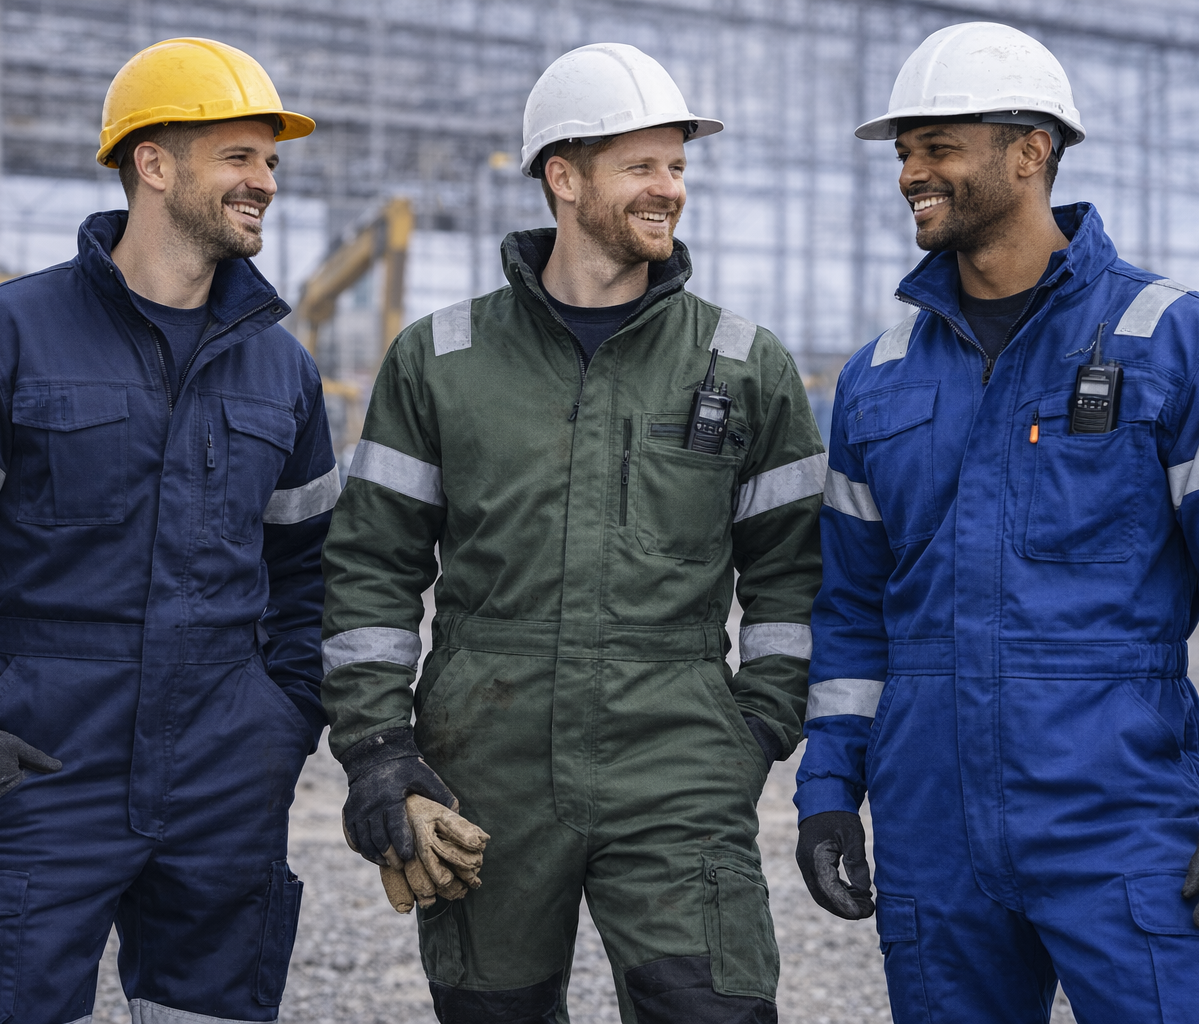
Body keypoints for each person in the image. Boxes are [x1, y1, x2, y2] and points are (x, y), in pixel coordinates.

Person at [795, 21, 1199, 1024]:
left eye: (938, 146)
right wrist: (830, 785)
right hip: (932, 835)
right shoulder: (877, 379)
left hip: (1119, 827)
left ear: (1029, 151)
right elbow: (855, 611)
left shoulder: (1185, 343)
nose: (912, 170)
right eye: (905, 151)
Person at [321, 42, 825, 1024]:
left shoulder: (743, 364)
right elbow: (371, 568)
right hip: (483, 765)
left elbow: (794, 574)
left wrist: (758, 725)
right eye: (642, 166)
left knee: (714, 1009)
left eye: (677, 167)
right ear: (564, 176)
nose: (669, 190)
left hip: (680, 759)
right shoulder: (441, 361)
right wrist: (379, 750)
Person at [0, 37, 334, 1024]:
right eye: (240, 156)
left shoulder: (283, 372)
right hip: (40, 770)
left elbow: (312, 568)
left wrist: (283, 720)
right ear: (153, 162)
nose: (265, 183)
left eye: (271, 162)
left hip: (224, 780)